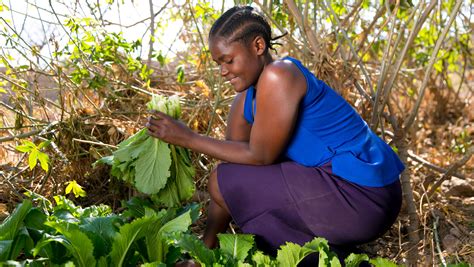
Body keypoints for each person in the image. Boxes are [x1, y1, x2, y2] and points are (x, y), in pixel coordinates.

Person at [146, 5, 404, 265]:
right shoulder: (244, 101)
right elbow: (232, 175)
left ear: (258, 46)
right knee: (230, 182)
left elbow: (259, 156)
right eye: (218, 63)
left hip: (364, 194)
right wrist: (202, 253)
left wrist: (187, 138)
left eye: (228, 60)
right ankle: (332, 260)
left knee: (223, 181)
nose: (223, 71)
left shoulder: (280, 74)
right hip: (336, 190)